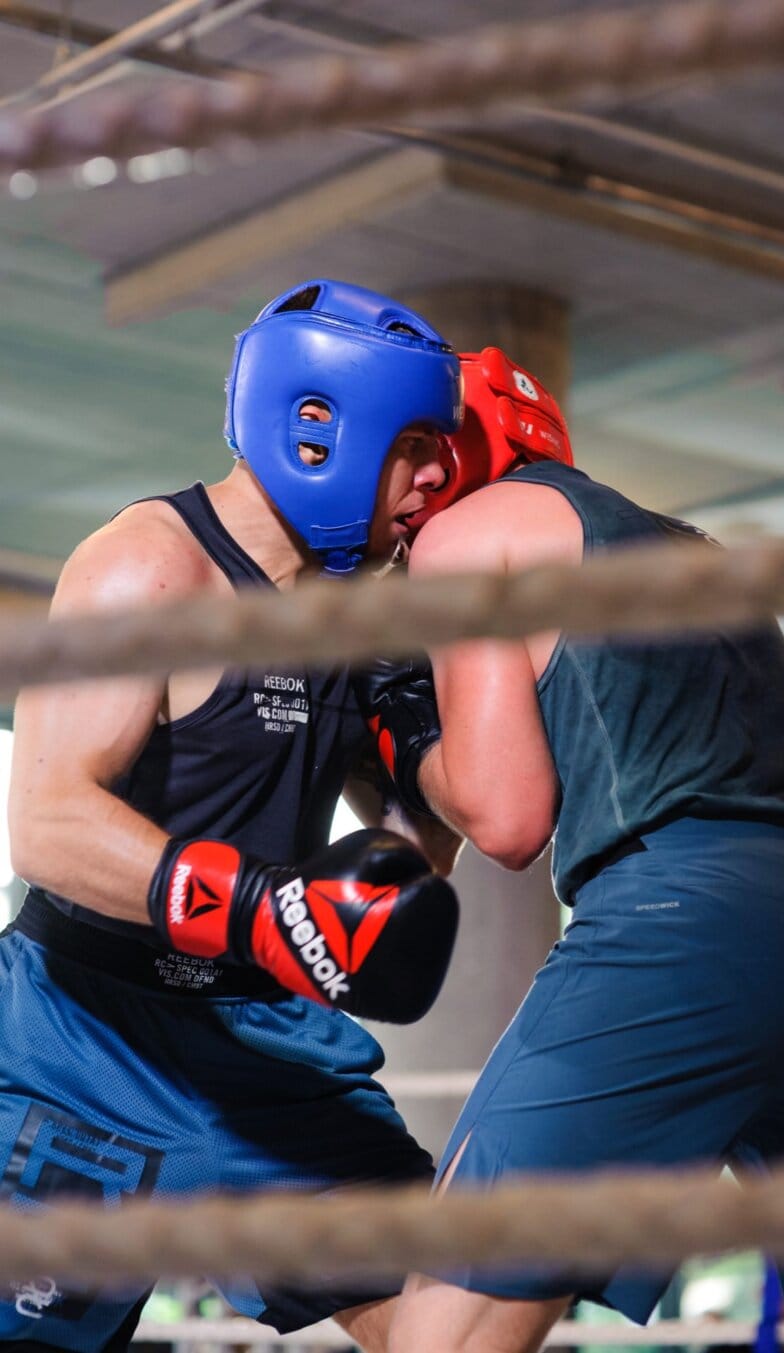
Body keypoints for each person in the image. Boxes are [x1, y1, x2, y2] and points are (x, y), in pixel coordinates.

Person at [382, 347, 784, 1353]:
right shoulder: (693, 547)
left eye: (417, 451)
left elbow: (507, 817)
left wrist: (409, 748)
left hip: (687, 925)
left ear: (456, 448)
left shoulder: (469, 534)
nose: (408, 490)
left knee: (449, 1327)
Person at [1, 278, 465, 1353]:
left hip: (260, 1044)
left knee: (456, 1319)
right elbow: (51, 824)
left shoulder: (361, 616)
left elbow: (407, 869)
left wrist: (417, 711)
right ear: (320, 428)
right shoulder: (148, 568)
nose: (434, 478)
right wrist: (266, 907)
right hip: (77, 1039)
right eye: (415, 447)